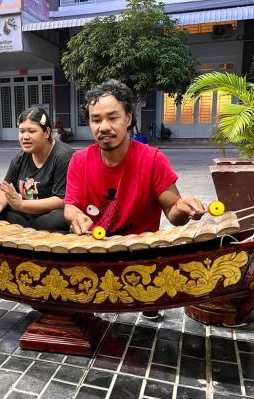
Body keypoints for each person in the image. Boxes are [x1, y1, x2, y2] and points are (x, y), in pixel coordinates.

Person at [63, 79, 205, 319]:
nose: (104, 127)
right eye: (96, 120)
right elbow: (70, 206)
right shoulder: (79, 160)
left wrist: (183, 208)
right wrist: (76, 216)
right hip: (94, 249)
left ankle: (147, 298)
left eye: (112, 117)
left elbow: (174, 215)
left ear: (128, 118)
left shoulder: (152, 160)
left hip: (139, 252)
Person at [0, 107, 75, 231]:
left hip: (52, 213)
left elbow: (62, 199)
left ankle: (27, 231)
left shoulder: (63, 156)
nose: (25, 137)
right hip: (27, 211)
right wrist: (1, 198)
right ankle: (27, 230)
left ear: (46, 132)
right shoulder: (20, 157)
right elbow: (6, 188)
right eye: (22, 131)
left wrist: (22, 204)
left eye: (31, 131)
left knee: (53, 221)